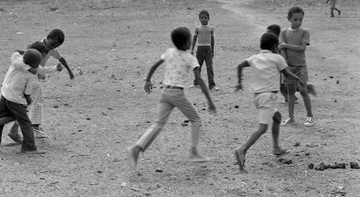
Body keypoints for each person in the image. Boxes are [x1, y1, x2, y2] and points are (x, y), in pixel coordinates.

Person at [126, 27, 216, 171]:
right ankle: (193, 152)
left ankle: (136, 148)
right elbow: (199, 80)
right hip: (177, 94)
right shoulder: (190, 58)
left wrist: (148, 80)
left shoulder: (169, 52)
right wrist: (210, 101)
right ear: (187, 42)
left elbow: (154, 66)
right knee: (196, 120)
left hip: (165, 92)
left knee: (158, 124)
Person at [234, 32, 304, 172]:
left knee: (277, 118)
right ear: (274, 47)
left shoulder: (255, 58)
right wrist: (298, 79)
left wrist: (239, 83)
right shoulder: (277, 58)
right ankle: (242, 149)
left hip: (258, 97)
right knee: (262, 127)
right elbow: (287, 74)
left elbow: (240, 65)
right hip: (268, 97)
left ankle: (276, 148)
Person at [0, 49, 44, 154]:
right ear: (34, 64)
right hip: (15, 100)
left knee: (1, 117)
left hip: (5, 95)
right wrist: (28, 99)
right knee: (25, 122)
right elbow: (27, 91)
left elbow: (15, 52)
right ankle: (29, 147)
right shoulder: (30, 75)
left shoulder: (16, 61)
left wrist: (22, 51)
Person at [29, 28, 75, 138]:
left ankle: (34, 125)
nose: (52, 47)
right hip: (30, 76)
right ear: (48, 38)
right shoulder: (37, 47)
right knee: (28, 101)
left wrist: (69, 71)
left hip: (35, 75)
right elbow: (29, 61)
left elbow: (61, 59)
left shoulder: (52, 49)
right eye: (52, 44)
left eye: (55, 47)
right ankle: (22, 127)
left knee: (35, 99)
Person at [279, 6, 316, 127]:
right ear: (289, 19)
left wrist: (286, 45)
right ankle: (291, 117)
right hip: (288, 67)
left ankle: (310, 116)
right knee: (290, 92)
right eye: (295, 19)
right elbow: (281, 50)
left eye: (300, 19)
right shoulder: (284, 32)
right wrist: (286, 67)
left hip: (300, 67)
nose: (298, 22)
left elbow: (302, 48)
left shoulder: (305, 32)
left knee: (304, 90)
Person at [191, 10, 217, 90]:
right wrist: (192, 49)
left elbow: (212, 40)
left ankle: (211, 85)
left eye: (205, 18)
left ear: (208, 18)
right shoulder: (197, 28)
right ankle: (196, 82)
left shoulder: (211, 29)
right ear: (199, 19)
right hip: (199, 50)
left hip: (208, 50)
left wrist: (212, 50)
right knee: (198, 67)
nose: (203, 19)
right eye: (201, 18)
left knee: (210, 68)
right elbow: (194, 38)